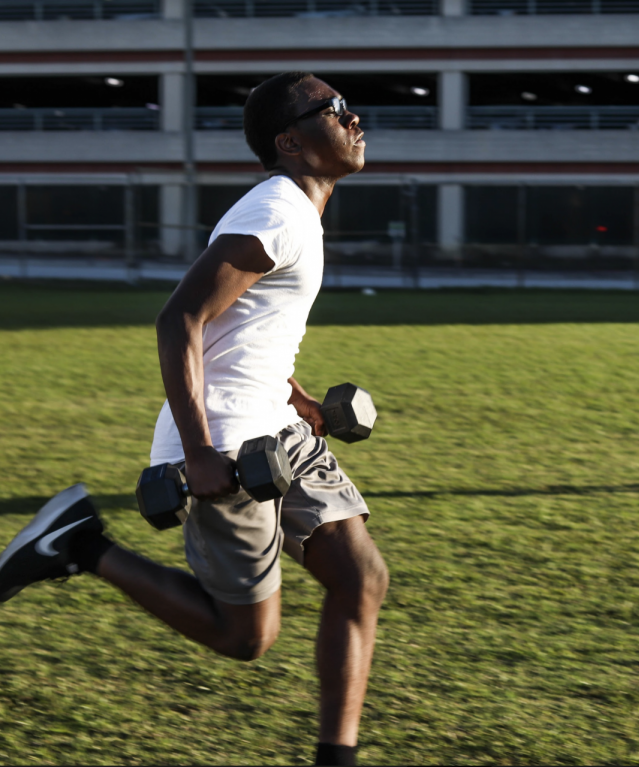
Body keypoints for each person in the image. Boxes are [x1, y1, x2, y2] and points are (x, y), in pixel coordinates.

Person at [0, 71, 388, 767]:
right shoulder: (277, 209)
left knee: (361, 577)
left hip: (276, 424)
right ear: (291, 142)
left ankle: (339, 757)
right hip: (230, 442)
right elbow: (180, 316)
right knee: (245, 637)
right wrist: (202, 452)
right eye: (334, 109)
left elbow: (242, 325)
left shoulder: (296, 207)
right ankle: (80, 542)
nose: (353, 118)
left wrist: (296, 395)